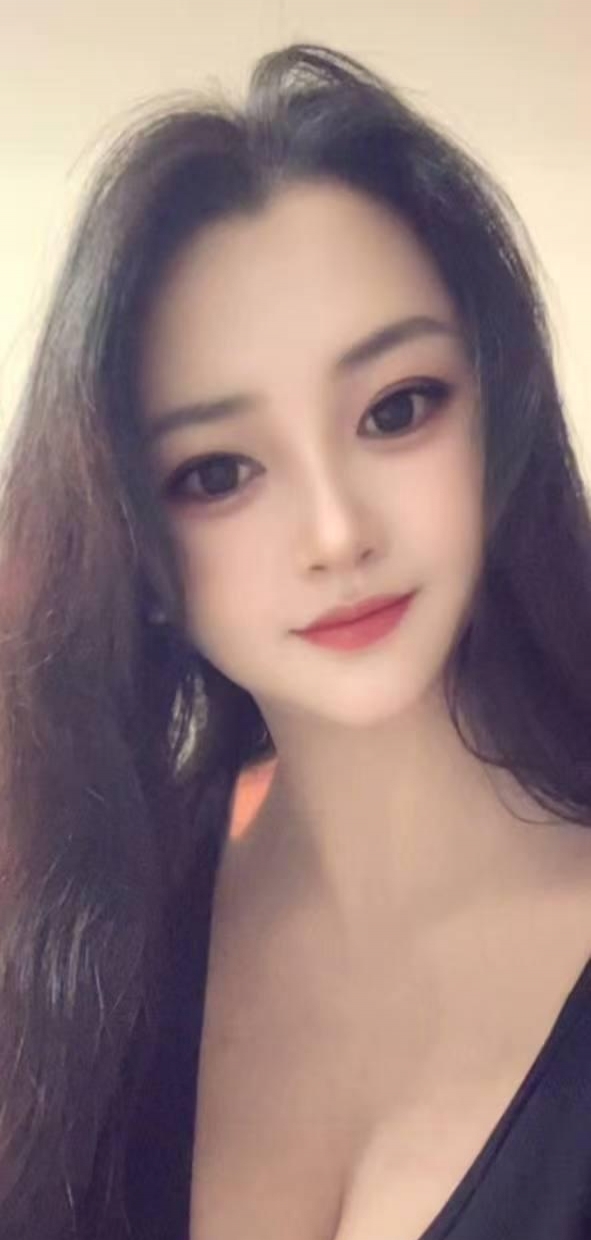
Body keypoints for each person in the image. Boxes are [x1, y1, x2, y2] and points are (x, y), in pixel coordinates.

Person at [1, 40, 591, 1240]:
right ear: (134, 543)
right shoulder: (82, 953)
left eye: (397, 408)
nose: (334, 531)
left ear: (504, 415)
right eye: (218, 472)